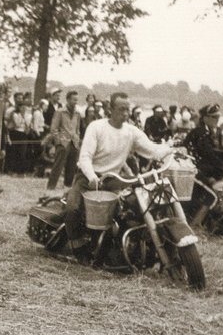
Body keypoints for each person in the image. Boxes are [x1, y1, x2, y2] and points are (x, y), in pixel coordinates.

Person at [65, 92, 174, 261]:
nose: (125, 113)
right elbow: (85, 156)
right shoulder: (96, 127)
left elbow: (152, 150)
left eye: (127, 109)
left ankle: (112, 249)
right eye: (121, 109)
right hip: (88, 177)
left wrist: (171, 150)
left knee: (122, 214)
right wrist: (92, 176)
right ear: (110, 109)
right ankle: (78, 247)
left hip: (112, 180)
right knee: (72, 208)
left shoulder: (131, 131)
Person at [46, 90, 81, 190]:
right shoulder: (60, 112)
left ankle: (67, 188)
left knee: (71, 167)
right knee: (58, 166)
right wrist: (59, 142)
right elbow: (53, 129)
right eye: (74, 100)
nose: (76, 102)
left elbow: (77, 129)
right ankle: (50, 187)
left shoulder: (78, 113)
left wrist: (77, 139)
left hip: (74, 143)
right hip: (63, 143)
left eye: (77, 100)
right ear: (68, 99)